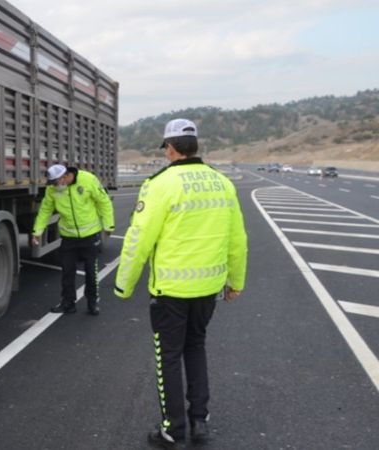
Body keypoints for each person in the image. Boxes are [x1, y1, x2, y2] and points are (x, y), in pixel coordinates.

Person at [114, 118, 247, 449]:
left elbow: (138, 240)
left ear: (170, 148)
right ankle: (199, 421)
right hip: (208, 289)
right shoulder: (221, 182)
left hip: (171, 291)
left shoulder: (160, 184)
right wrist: (236, 281)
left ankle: (172, 429)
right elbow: (238, 240)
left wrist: (123, 285)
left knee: (168, 358)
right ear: (195, 146)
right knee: (196, 347)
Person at [32, 164, 115, 315]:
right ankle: (68, 304)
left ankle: (92, 302)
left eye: (56, 182)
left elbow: (103, 201)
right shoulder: (52, 190)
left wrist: (108, 225)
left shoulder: (88, 180)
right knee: (67, 272)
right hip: (68, 237)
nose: (54, 186)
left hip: (90, 236)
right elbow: (45, 210)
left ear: (64, 177)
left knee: (91, 272)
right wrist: (37, 231)